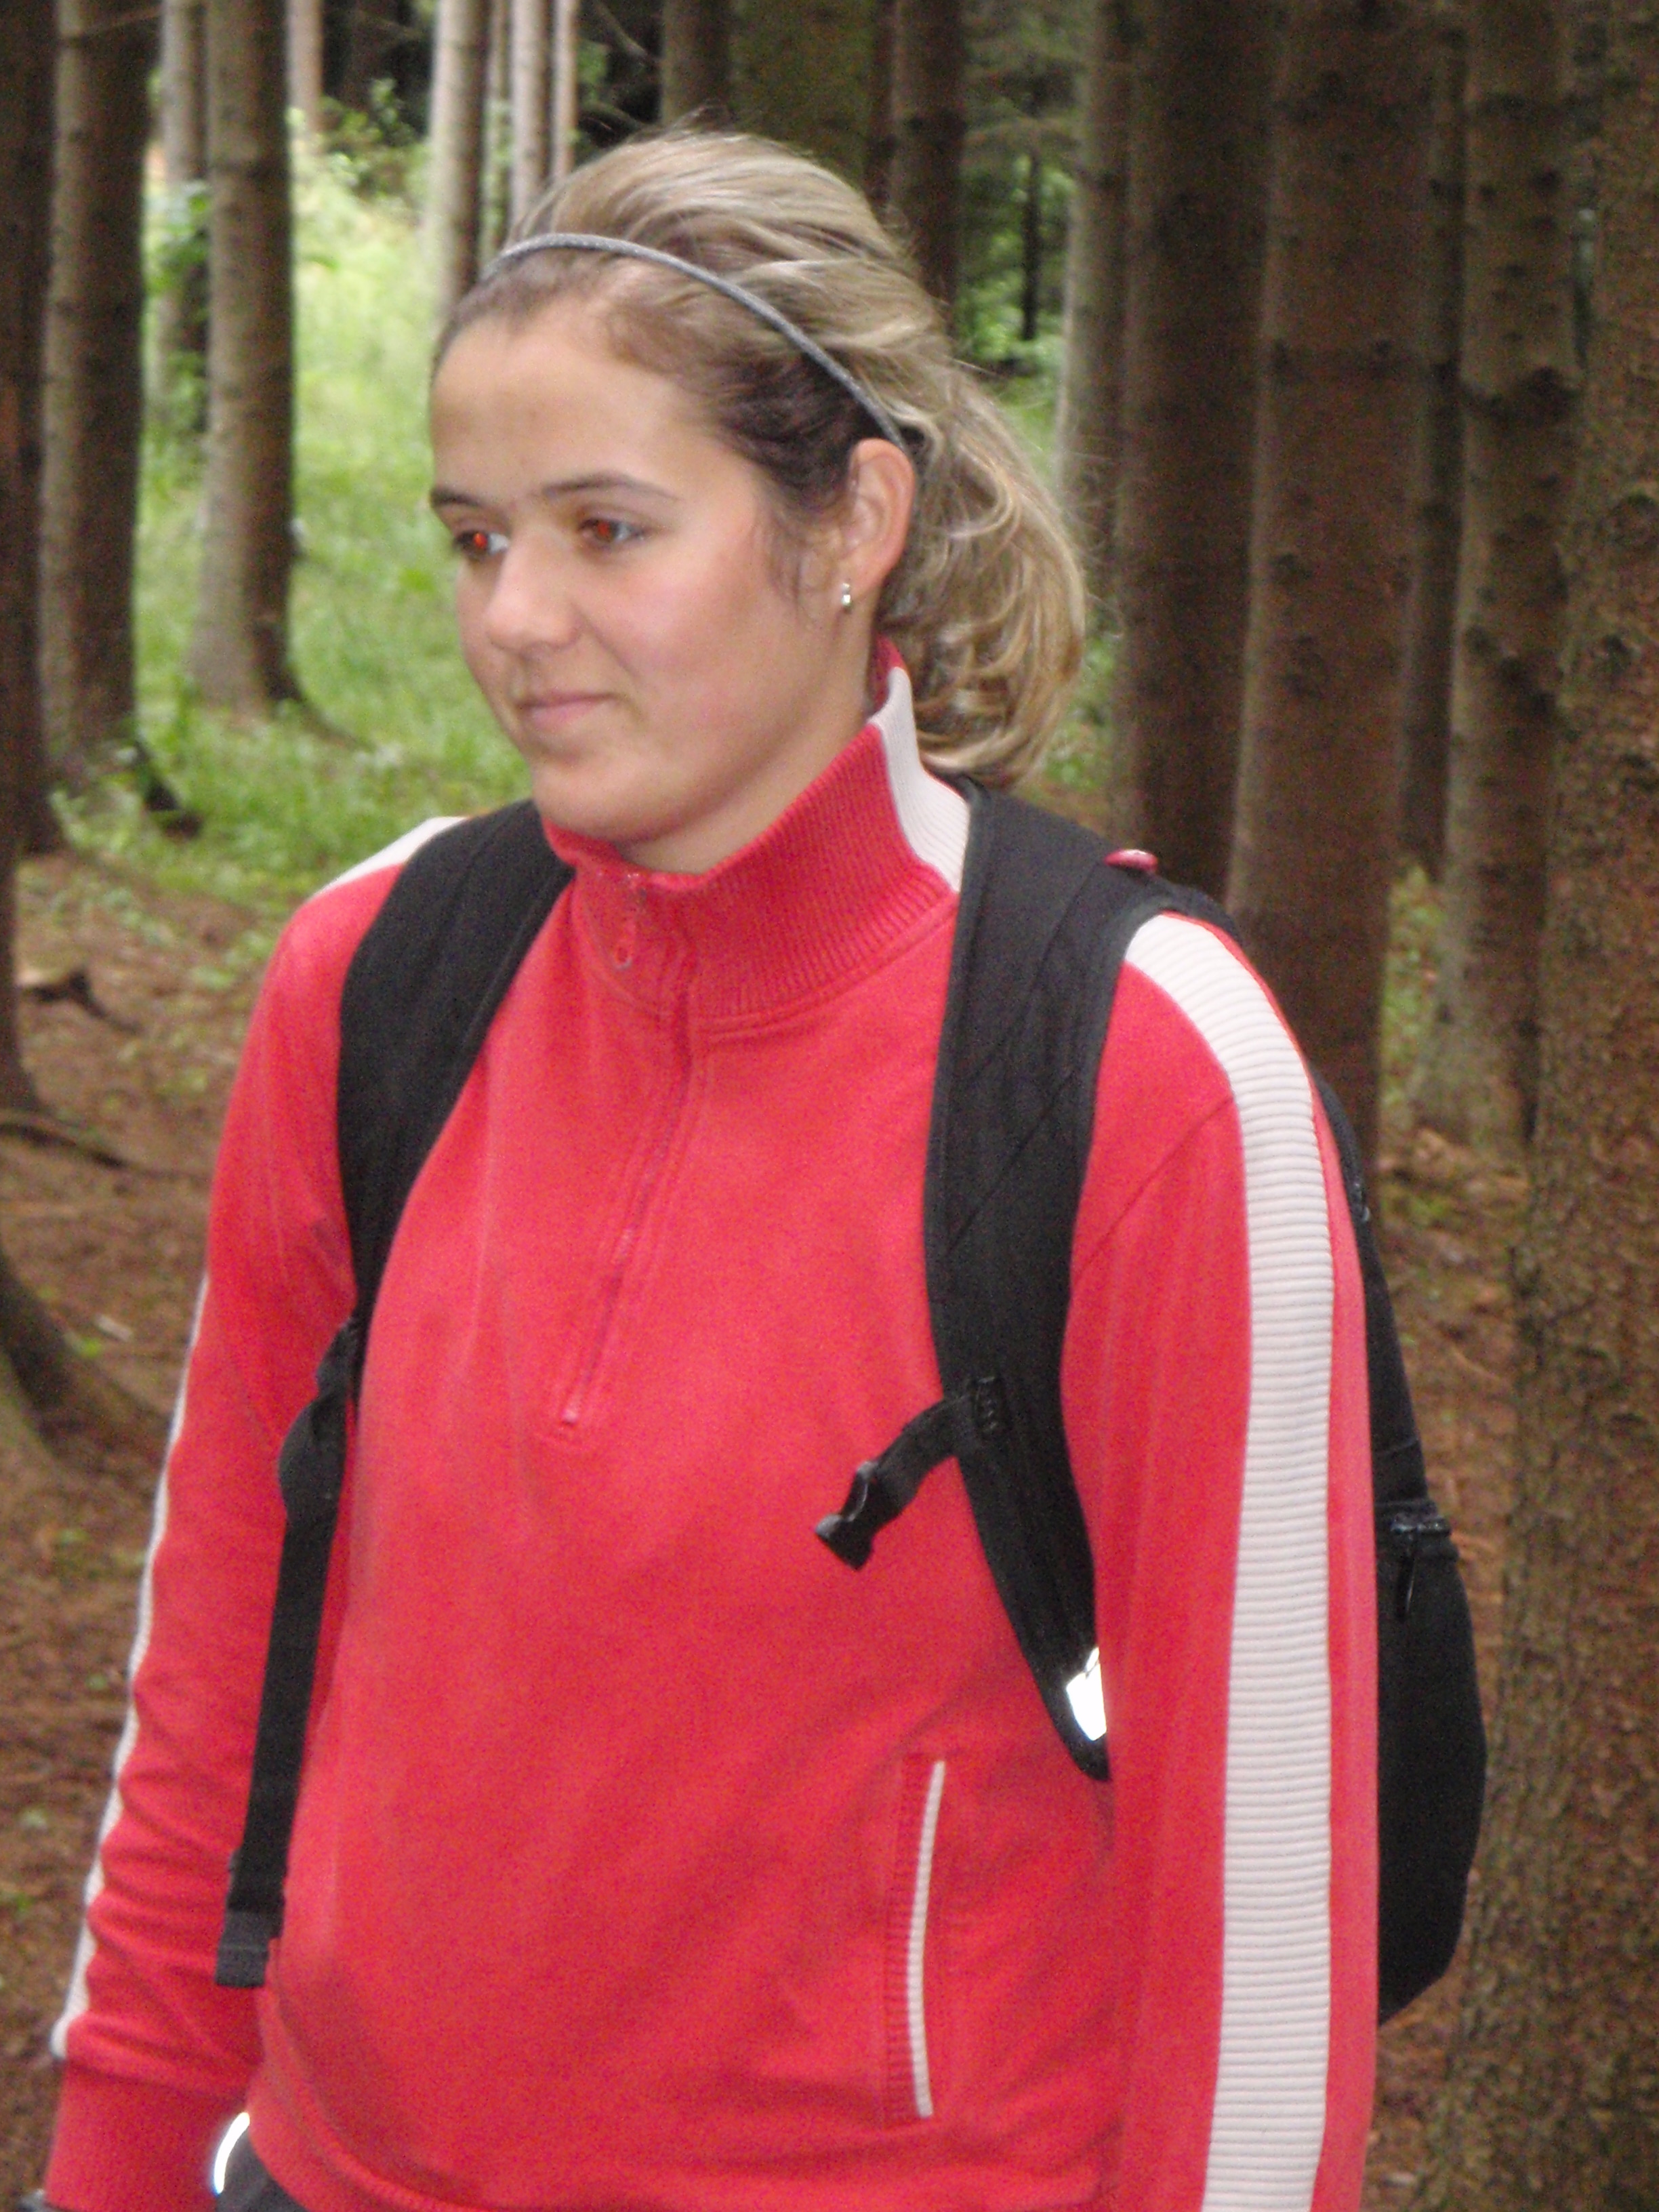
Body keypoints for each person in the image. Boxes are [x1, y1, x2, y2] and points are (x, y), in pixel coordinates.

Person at [41, 128, 1377, 2212]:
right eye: (477, 538)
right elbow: (220, 1671)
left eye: (608, 528)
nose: (518, 619)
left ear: (853, 522)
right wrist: (119, 2161)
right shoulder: (377, 978)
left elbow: (1263, 1915)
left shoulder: (1135, 1063)